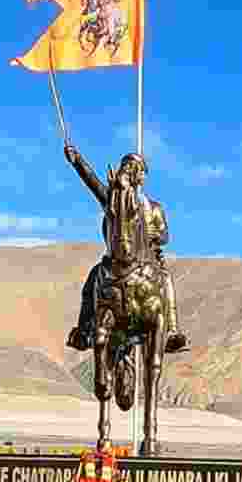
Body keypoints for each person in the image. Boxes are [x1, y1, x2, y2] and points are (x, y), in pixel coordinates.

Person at [63, 144, 188, 354]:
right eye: (126, 166)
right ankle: (84, 330)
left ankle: (172, 332)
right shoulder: (112, 198)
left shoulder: (154, 208)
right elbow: (92, 182)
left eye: (134, 168)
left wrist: (155, 236)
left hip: (146, 262)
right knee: (93, 279)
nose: (128, 172)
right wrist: (77, 161)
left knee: (166, 280)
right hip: (115, 261)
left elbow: (165, 235)